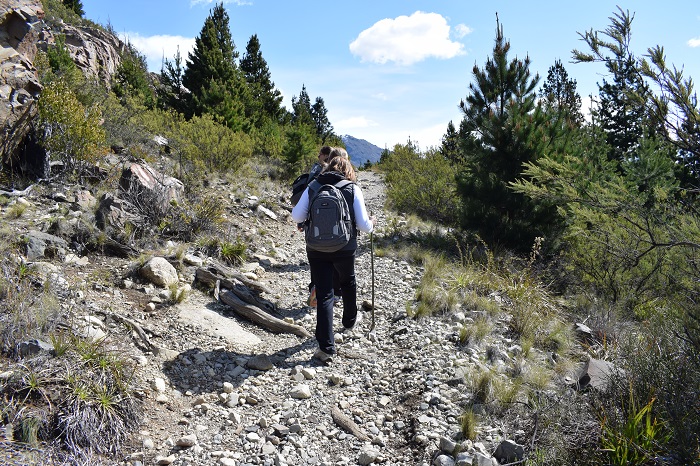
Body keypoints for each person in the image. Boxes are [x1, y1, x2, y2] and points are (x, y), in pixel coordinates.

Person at [291, 156, 375, 363]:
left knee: (325, 293)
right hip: (345, 247)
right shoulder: (352, 188)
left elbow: (296, 217)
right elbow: (364, 226)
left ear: (327, 167)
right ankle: (349, 320)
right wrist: (372, 223)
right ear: (348, 171)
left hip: (316, 247)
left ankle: (326, 347)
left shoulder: (313, 186)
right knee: (348, 281)